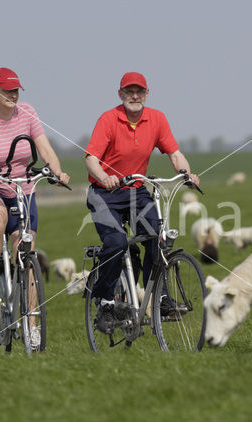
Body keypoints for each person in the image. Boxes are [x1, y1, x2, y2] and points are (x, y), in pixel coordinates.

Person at [84, 71, 200, 333]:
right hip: (105, 193)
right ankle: (105, 303)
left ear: (147, 94)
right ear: (120, 94)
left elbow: (175, 153)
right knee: (116, 242)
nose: (134, 96)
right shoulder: (109, 119)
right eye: (129, 91)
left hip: (136, 190)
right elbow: (91, 158)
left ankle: (159, 298)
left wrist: (187, 174)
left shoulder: (156, 119)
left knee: (156, 237)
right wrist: (104, 177)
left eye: (139, 92)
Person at [0, 67, 70, 317]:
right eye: (8, 91)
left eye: (16, 90)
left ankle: (32, 323)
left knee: (26, 253)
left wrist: (57, 172)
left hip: (23, 189)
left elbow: (45, 150)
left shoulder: (27, 113)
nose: (13, 95)